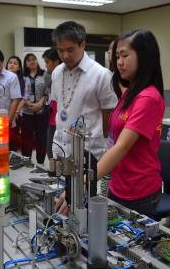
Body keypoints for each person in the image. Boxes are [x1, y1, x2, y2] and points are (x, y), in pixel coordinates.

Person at [91, 29, 164, 218]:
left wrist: (86, 181)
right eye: (116, 56)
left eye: (125, 55)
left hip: (139, 190)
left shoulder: (148, 97)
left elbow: (122, 145)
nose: (119, 62)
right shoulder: (129, 93)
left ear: (144, 56)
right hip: (118, 184)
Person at [51, 21, 118, 212]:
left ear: (83, 45)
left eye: (70, 49)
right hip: (63, 149)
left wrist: (104, 149)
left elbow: (109, 115)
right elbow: (61, 108)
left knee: (86, 207)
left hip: (90, 154)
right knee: (66, 203)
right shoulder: (57, 72)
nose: (65, 55)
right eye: (60, 50)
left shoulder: (101, 75)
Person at [21, 53, 48, 164]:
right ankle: (27, 161)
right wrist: (28, 103)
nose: (31, 61)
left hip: (41, 112)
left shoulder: (44, 75)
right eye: (28, 60)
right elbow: (20, 94)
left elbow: (47, 92)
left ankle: (40, 162)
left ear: (37, 61)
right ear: (26, 64)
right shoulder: (22, 77)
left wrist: (39, 104)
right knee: (27, 138)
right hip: (27, 112)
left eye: (33, 59)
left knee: (41, 138)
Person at [42, 47, 61, 159]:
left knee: (55, 154)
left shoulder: (63, 78)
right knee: (50, 152)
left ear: (56, 62)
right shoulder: (52, 78)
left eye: (47, 62)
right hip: (51, 119)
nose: (45, 65)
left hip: (60, 122)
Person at [6, 55, 25, 151]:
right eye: (10, 62)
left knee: (13, 140)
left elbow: (23, 98)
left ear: (19, 67)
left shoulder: (22, 80)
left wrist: (16, 111)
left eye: (15, 63)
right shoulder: (1, 78)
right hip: (4, 113)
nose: (12, 65)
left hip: (16, 114)